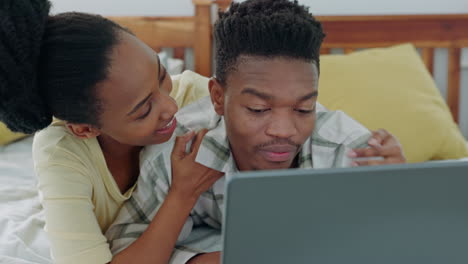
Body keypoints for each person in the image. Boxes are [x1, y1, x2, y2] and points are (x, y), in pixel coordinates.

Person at [105, 0, 406, 263]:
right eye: (259, 109)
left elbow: (400, 243)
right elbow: (129, 253)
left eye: (303, 109)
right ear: (218, 98)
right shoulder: (180, 149)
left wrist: (402, 192)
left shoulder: (348, 147)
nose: (283, 131)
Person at [0, 1, 224, 263]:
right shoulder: (62, 154)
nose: (171, 106)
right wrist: (183, 192)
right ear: (85, 129)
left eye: (162, 76)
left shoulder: (197, 98)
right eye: (143, 111)